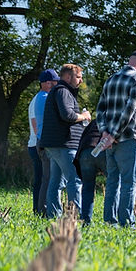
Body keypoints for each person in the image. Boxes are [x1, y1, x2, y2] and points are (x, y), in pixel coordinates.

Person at [96, 50, 136, 227]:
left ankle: (109, 221)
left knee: (112, 182)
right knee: (129, 183)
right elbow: (130, 109)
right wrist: (114, 134)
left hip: (109, 142)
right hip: (128, 138)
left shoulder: (110, 79)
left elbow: (100, 110)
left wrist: (105, 133)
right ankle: (127, 223)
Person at [40, 64, 90, 218]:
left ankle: (53, 215)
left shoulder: (58, 91)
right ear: (68, 77)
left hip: (54, 144)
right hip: (64, 144)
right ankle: (75, 216)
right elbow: (67, 115)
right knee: (74, 180)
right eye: (78, 77)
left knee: (56, 182)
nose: (81, 80)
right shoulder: (63, 91)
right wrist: (84, 116)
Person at [28, 69, 58, 215]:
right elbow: (35, 124)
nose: (57, 84)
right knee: (42, 180)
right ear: (47, 83)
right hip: (37, 144)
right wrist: (42, 141)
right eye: (55, 81)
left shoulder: (42, 97)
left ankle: (39, 210)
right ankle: (39, 211)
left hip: (37, 143)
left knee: (42, 180)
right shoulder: (40, 99)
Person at [75, 119, 112, 224]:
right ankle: (111, 219)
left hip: (85, 152)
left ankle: (85, 220)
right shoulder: (113, 119)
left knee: (87, 188)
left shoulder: (94, 122)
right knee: (113, 184)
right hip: (102, 150)